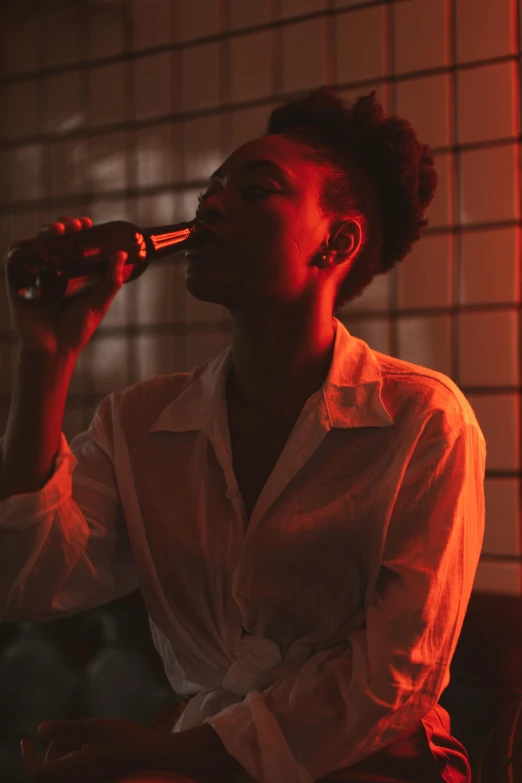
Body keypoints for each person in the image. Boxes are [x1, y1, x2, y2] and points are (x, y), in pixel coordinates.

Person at [0, 88, 485, 783]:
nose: (211, 207)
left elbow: (393, 682)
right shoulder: (142, 422)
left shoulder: (423, 420)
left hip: (374, 764)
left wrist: (169, 755)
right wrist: (45, 357)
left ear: (337, 240)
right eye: (209, 191)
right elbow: (24, 578)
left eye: (257, 191)